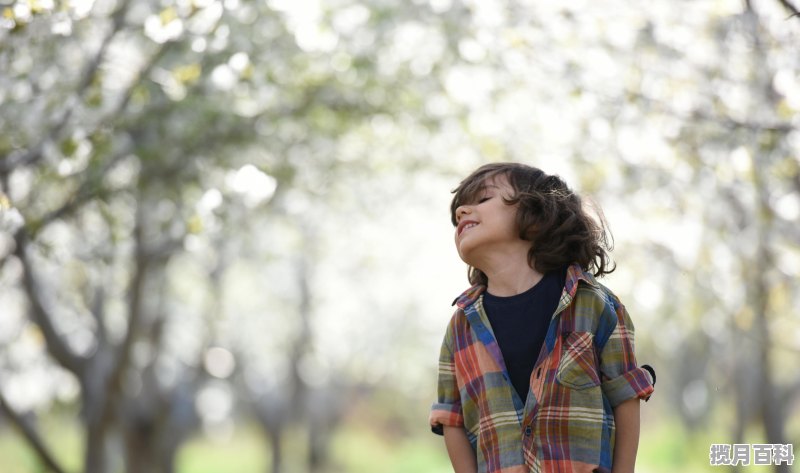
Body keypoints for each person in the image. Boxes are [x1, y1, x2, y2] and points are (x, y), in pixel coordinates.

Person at [429, 163, 655, 473]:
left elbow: (625, 394)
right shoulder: (460, 328)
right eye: (458, 212)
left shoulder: (594, 304)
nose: (462, 212)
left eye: (483, 199)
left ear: (536, 215)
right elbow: (451, 418)